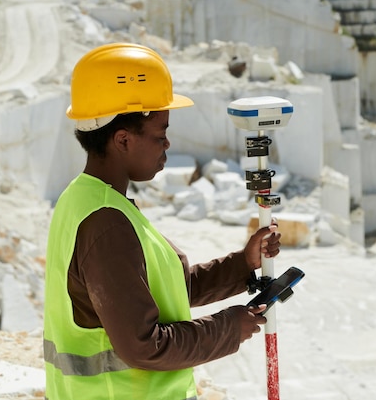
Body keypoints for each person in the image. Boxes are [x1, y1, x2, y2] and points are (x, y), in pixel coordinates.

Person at [43, 43, 281, 400]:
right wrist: (228, 327)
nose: (167, 143)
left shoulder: (86, 198)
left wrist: (241, 265)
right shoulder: (105, 223)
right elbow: (144, 346)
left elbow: (158, 290)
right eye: (159, 133)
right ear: (122, 139)